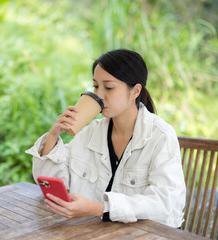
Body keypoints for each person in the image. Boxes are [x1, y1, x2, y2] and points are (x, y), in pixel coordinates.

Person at [25, 49, 186, 228]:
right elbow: (50, 182)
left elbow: (165, 204)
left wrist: (98, 208)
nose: (99, 95)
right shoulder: (91, 132)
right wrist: (53, 135)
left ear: (135, 91)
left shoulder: (161, 136)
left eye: (108, 87)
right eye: (95, 86)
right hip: (97, 232)